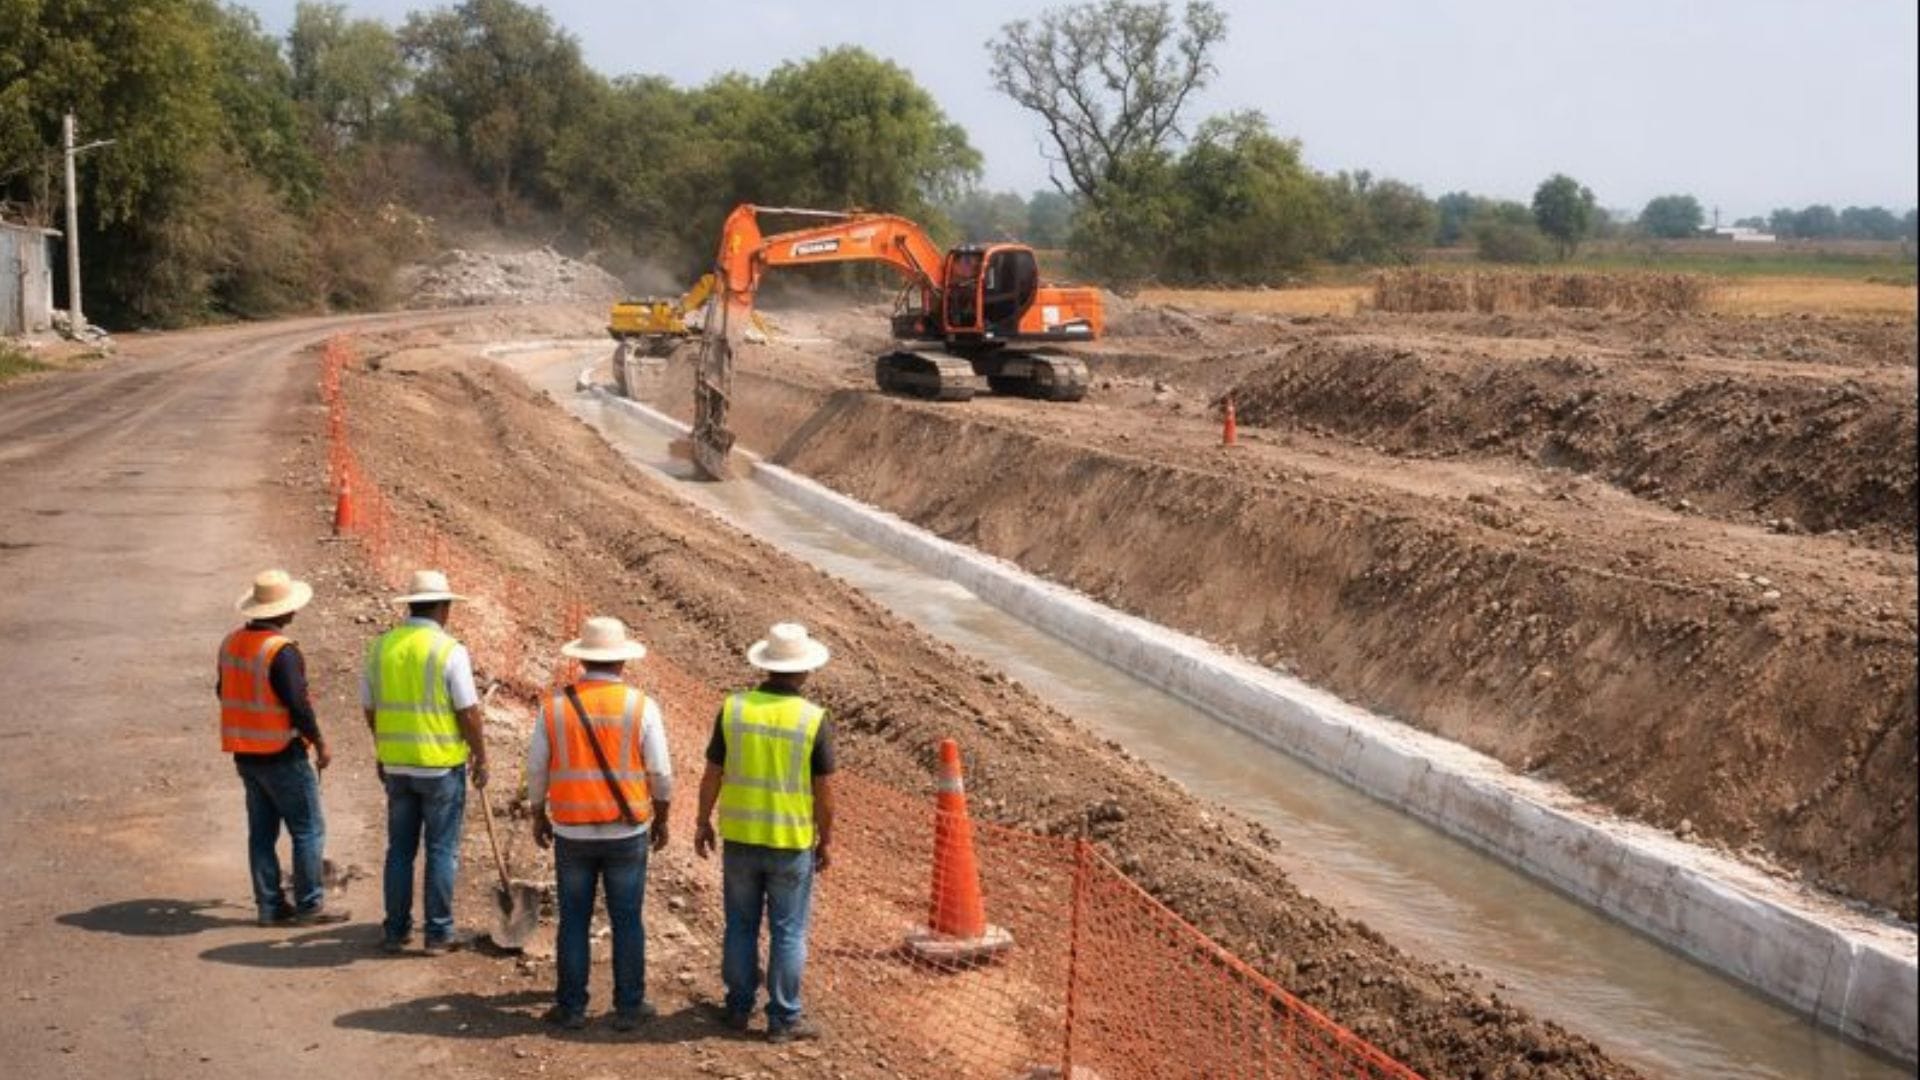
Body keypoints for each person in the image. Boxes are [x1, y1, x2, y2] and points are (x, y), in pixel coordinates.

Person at [528, 616, 673, 1032]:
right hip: (626, 831)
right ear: (622, 662)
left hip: (571, 830)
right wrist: (661, 819)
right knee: (627, 918)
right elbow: (661, 773)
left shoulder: (554, 707)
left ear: (581, 662)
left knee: (574, 919)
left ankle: (571, 1007)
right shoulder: (640, 706)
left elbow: (537, 769)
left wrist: (539, 812)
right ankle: (629, 1006)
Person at [694, 622, 837, 1043]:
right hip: (790, 843)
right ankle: (783, 1019)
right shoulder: (813, 720)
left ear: (768, 665)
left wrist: (703, 821)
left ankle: (738, 1007)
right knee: (788, 931)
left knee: (740, 924)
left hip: (739, 838)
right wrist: (826, 841)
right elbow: (824, 793)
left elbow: (711, 775)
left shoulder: (734, 708)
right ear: (805, 671)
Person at [363, 569, 487, 955]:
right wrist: (481, 754)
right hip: (439, 766)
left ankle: (396, 930)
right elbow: (468, 711)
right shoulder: (449, 650)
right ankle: (438, 933)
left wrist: (384, 747)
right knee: (441, 850)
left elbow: (370, 708)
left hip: (397, 764)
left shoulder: (381, 647)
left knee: (399, 850)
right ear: (443, 608)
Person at [218, 569, 348, 928]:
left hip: (245, 754)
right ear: (282, 611)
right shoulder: (281, 651)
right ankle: (309, 905)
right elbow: (298, 704)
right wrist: (319, 742)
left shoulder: (231, 643)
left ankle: (269, 906)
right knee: (308, 829)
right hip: (282, 754)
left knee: (261, 833)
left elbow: (222, 691)